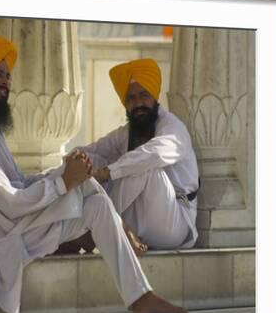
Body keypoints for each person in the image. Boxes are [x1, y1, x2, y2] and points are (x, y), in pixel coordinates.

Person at [0, 35, 187, 313]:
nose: (6, 81)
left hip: (16, 222)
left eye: (7, 75)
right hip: (4, 231)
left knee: (94, 199)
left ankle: (140, 296)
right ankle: (113, 247)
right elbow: (10, 202)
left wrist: (66, 173)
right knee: (88, 192)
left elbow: (17, 181)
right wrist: (63, 181)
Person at [72, 58, 199, 253]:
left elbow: (152, 154)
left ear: (155, 97)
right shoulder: (126, 133)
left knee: (143, 166)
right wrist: (73, 161)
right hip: (136, 220)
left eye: (143, 95)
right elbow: (91, 150)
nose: (138, 103)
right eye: (130, 98)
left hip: (172, 224)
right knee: (88, 160)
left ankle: (97, 227)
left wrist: (107, 172)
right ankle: (90, 224)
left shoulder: (173, 128)